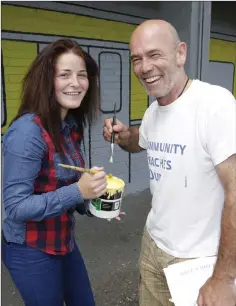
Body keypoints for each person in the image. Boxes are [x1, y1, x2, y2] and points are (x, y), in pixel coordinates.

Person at [103, 20, 236, 306]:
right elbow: (141, 141)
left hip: (197, 259)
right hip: (153, 243)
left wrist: (224, 278)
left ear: (180, 54)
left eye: (154, 54)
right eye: (136, 59)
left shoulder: (214, 105)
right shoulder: (154, 112)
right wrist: (124, 135)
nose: (144, 67)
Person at [1, 38, 119, 306]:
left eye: (82, 75)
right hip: (30, 249)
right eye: (64, 75)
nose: (75, 83)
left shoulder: (70, 126)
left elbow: (71, 188)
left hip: (63, 241)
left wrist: (97, 204)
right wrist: (78, 190)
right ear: (46, 80)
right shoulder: (27, 132)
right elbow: (16, 206)